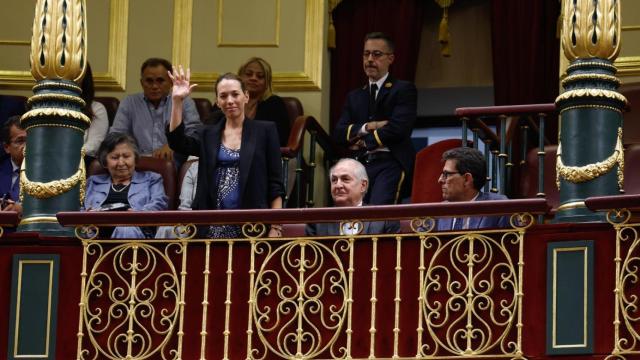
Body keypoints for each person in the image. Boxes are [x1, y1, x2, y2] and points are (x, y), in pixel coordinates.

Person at [166, 68, 284, 238]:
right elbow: (177, 142)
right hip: (211, 224)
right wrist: (177, 101)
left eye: (235, 94)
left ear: (246, 96)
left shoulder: (265, 131)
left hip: (252, 225)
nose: (230, 100)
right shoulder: (207, 134)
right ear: (217, 102)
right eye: (223, 96)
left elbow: (275, 184)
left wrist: (276, 226)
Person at [334, 32, 417, 205]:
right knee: (353, 214)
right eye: (366, 54)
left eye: (377, 54)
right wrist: (368, 126)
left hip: (390, 162)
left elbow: (398, 128)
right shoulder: (355, 96)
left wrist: (363, 141)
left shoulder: (403, 89)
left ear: (390, 58)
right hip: (360, 164)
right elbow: (339, 133)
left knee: (378, 214)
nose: (370, 59)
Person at [110, 57, 201, 166]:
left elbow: (195, 132)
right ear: (141, 83)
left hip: (173, 162)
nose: (154, 86)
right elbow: (116, 135)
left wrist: (173, 144)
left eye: (160, 80)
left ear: (171, 83)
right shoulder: (129, 102)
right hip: (137, 162)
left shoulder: (184, 101)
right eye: (149, 81)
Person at [84, 132, 168, 238]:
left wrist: (137, 215)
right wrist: (87, 216)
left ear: (135, 158)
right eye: (114, 157)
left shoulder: (152, 179)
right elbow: (78, 208)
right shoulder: (92, 182)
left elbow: (159, 204)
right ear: (105, 161)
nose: (121, 162)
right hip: (95, 236)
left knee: (125, 229)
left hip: (136, 234)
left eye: (126, 156)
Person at [305, 158, 399, 236]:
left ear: (363, 185)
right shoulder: (317, 222)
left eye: (345, 179)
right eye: (334, 180)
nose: (338, 185)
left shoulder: (384, 220)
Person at [436, 147, 509, 231]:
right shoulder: (438, 211)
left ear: (467, 179)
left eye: (446, 174)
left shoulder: (499, 208)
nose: (440, 180)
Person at [80, 63, 109, 166]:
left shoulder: (97, 108)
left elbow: (93, 146)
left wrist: (68, 154)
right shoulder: (51, 106)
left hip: (82, 159)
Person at [0, 116, 26, 217]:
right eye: (20, 141)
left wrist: (23, 210)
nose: (26, 146)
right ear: (7, 147)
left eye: (30, 140)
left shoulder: (48, 171)